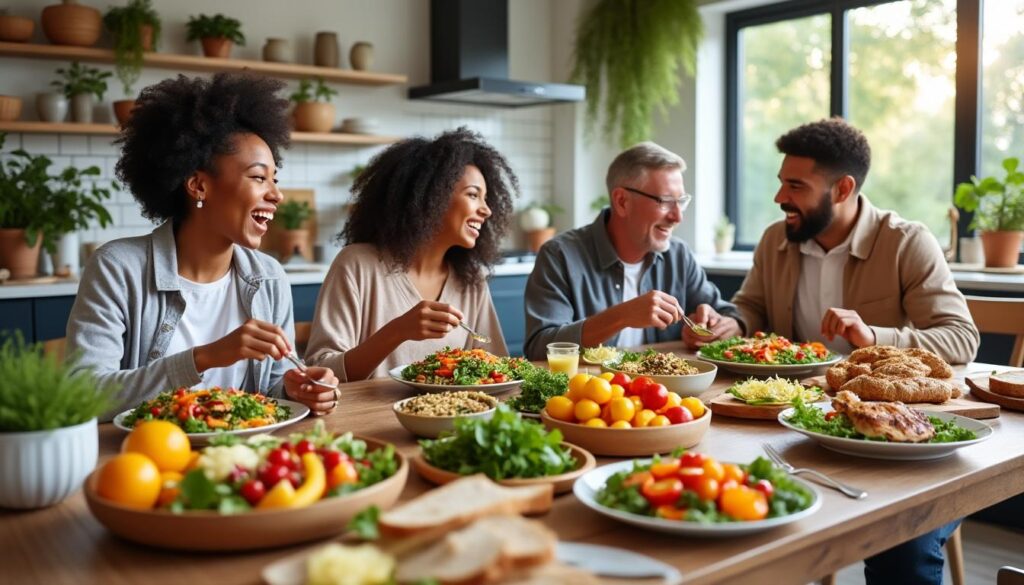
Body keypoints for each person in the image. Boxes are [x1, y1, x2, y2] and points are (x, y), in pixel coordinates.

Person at [732, 117, 979, 584]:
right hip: (800, 428)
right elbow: (751, 308)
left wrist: (875, 337)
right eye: (781, 182)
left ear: (842, 189)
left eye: (795, 186)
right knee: (735, 502)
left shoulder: (907, 241)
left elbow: (961, 336)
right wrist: (732, 321)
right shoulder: (775, 240)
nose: (779, 197)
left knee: (902, 539)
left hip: (898, 437)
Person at [67, 72, 339, 421]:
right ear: (198, 186)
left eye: (275, 178)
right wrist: (205, 357)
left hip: (241, 461)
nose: (276, 194)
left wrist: (296, 389)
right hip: (149, 460)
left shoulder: (268, 276)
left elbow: (273, 388)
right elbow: (83, 394)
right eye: (258, 177)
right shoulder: (118, 268)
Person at [304, 128, 516, 381]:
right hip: (366, 420)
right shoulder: (357, 265)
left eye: (486, 198)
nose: (487, 210)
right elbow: (322, 371)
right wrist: (398, 331)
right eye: (473, 195)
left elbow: (497, 372)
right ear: (431, 196)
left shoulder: (470, 279)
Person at [523, 142, 743, 360]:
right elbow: (540, 347)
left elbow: (730, 316)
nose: (677, 217)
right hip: (590, 392)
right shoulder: (560, 255)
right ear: (622, 202)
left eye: (681, 202)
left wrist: (717, 326)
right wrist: (622, 316)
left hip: (666, 392)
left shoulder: (678, 256)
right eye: (665, 201)